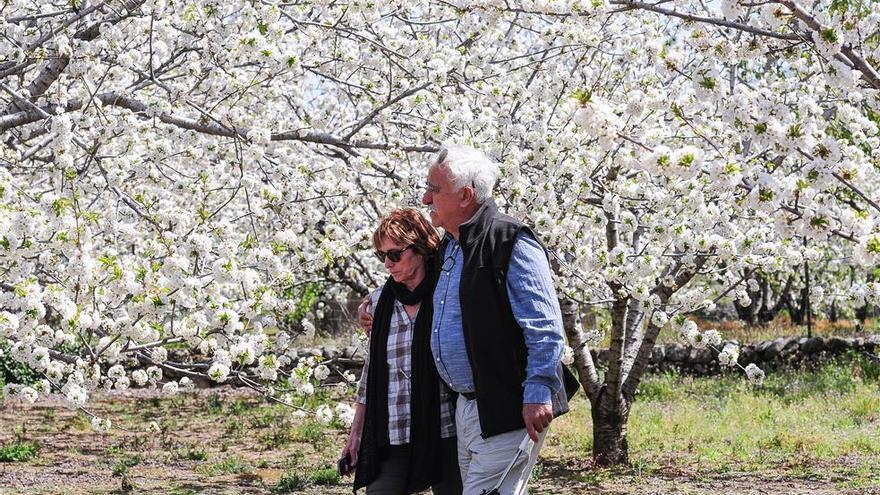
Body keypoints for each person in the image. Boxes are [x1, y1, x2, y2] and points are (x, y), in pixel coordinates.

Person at [362, 145, 570, 495]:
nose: (426, 198)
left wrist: (537, 393)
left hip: (506, 406)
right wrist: (370, 303)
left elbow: (545, 328)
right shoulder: (451, 246)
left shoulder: (509, 240)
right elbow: (410, 279)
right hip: (468, 407)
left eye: (435, 190)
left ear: (465, 196)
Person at [342, 208, 462, 495]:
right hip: (392, 434)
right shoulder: (380, 303)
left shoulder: (447, 295)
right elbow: (370, 376)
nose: (387, 263)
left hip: (445, 433)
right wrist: (356, 434)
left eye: (394, 254)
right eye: (381, 255)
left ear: (420, 249)